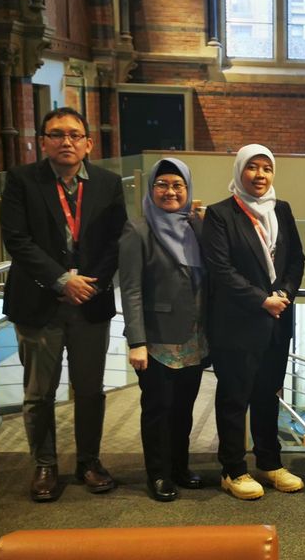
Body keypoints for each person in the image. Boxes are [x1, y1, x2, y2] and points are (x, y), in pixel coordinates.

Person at [0, 106, 127, 502]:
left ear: (88, 143)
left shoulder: (108, 183)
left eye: (74, 134)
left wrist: (89, 285)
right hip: (38, 303)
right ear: (43, 142)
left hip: (89, 302)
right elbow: (17, 239)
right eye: (57, 134)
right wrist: (61, 279)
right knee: (39, 393)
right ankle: (45, 465)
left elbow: (115, 241)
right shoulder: (21, 180)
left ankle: (89, 461)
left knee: (90, 389)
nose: (66, 141)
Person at [202, 144, 305, 500]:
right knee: (234, 399)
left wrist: (285, 293)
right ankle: (232, 470)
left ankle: (269, 463)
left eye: (266, 168)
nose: (260, 175)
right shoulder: (220, 214)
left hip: (277, 322)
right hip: (237, 323)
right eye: (252, 167)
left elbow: (296, 260)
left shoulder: (282, 209)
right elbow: (221, 269)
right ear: (239, 170)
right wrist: (263, 300)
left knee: (268, 395)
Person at [119, 158, 207, 502]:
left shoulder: (196, 226)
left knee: (184, 408)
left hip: (194, 336)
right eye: (162, 185)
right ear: (151, 189)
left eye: (177, 185)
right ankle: (158, 473)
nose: (170, 192)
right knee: (158, 409)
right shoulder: (138, 230)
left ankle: (180, 467)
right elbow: (131, 289)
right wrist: (137, 341)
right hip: (156, 339)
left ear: (187, 189)